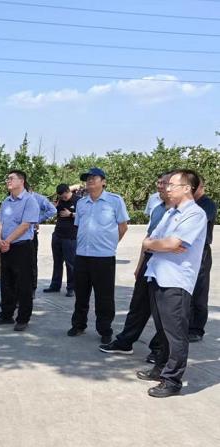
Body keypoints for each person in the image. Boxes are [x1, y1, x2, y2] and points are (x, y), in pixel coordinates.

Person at [136, 169, 207, 398]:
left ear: (186, 188)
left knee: (175, 333)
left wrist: (159, 244)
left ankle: (172, 380)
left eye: (172, 185)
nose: (167, 188)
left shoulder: (195, 214)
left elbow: (172, 243)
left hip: (176, 280)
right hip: (157, 275)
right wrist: (159, 244)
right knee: (162, 330)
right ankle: (160, 368)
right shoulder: (170, 212)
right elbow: (152, 240)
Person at [99, 173, 171, 356]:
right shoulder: (158, 209)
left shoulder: (185, 212)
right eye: (158, 182)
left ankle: (159, 349)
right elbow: (148, 238)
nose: (160, 186)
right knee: (138, 304)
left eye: (164, 183)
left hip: (169, 264)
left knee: (164, 310)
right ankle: (125, 342)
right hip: (150, 260)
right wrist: (140, 265)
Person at [68, 168, 129, 344]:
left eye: (94, 178)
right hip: (82, 255)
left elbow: (123, 226)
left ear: (103, 181)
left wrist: (110, 244)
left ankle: (105, 329)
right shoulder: (81, 203)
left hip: (104, 257)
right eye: (87, 178)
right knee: (81, 294)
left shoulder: (114, 201)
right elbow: (79, 226)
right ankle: (78, 325)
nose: (89, 181)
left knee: (104, 297)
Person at [0, 170, 39, 331]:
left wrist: (8, 241)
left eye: (11, 178)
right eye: (7, 178)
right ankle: (6, 314)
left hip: (22, 247)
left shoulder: (29, 201)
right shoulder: (6, 201)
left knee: (23, 284)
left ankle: (23, 318)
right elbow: (0, 222)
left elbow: (25, 225)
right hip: (6, 247)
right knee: (6, 282)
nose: (8, 181)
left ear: (21, 181)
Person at [188, 177, 217, 342]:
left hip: (201, 251)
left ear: (200, 187)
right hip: (186, 250)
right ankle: (185, 324)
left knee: (199, 290)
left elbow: (196, 222)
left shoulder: (207, 204)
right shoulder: (188, 204)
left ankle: (196, 329)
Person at [43, 184, 79, 297]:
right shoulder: (59, 200)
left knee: (70, 263)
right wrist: (54, 206)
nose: (63, 198)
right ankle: (55, 285)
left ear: (69, 191)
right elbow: (52, 210)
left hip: (71, 236)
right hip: (57, 235)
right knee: (57, 262)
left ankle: (71, 288)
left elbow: (85, 216)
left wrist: (71, 214)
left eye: (64, 196)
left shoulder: (79, 201)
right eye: (61, 197)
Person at [29, 188, 57, 291]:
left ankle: (32, 288)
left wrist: (38, 219)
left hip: (31, 234)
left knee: (31, 262)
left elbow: (53, 210)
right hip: (15, 235)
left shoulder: (39, 198)